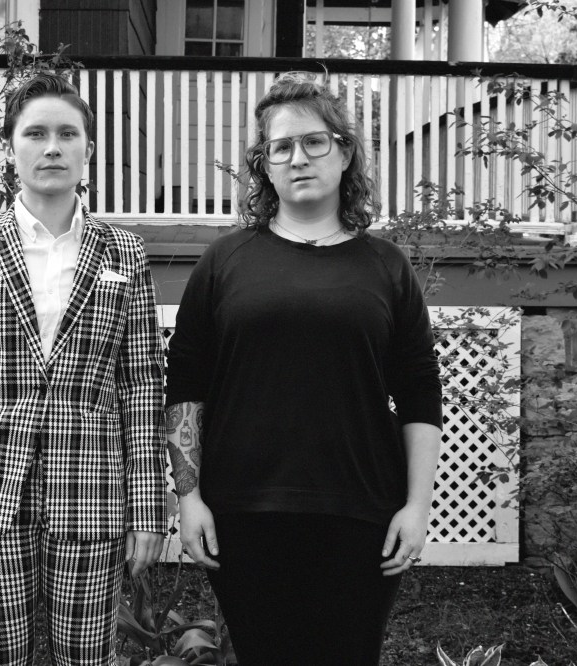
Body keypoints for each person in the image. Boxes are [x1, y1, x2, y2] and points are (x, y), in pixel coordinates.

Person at [164, 72, 443, 666]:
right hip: (243, 514)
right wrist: (190, 498)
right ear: (264, 166)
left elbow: (420, 392)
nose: (298, 158)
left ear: (344, 152)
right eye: (281, 147)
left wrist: (417, 507)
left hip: (363, 515)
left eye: (314, 142)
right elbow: (186, 384)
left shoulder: (386, 266)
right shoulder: (225, 261)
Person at [0, 72, 167, 666]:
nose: (52, 147)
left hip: (92, 495)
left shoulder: (123, 251)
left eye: (66, 134)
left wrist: (147, 509)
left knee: (88, 658)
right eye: (35, 133)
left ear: (88, 149)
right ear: (10, 149)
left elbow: (141, 386)